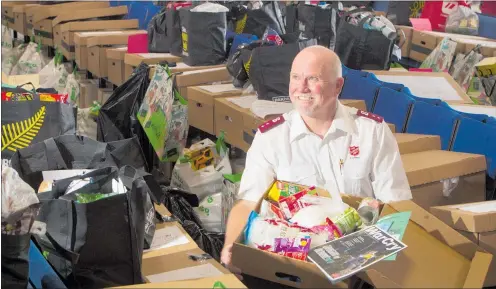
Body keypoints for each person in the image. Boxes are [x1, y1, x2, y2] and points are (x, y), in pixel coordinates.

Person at [220, 45, 412, 279]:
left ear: (338, 86)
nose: (301, 87)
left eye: (313, 78)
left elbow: (397, 208)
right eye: (295, 77)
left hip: (358, 268)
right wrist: (231, 246)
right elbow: (248, 202)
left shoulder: (372, 133)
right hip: (290, 266)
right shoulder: (271, 137)